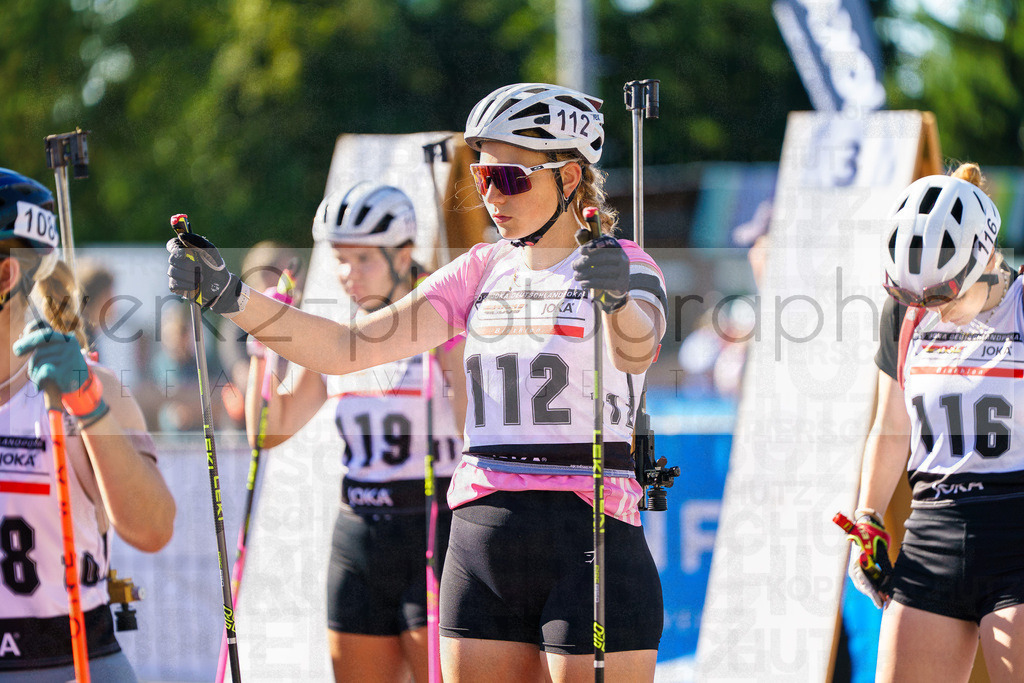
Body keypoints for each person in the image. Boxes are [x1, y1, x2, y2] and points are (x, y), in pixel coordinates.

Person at [167, 82, 668, 682]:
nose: (491, 196)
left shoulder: (628, 264)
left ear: (567, 178)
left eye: (510, 179)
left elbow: (638, 351)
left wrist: (614, 298)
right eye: (482, 177)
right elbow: (345, 347)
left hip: (588, 534)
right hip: (483, 535)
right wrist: (230, 295)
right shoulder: (481, 269)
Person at [243, 182, 466, 682]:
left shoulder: (442, 322)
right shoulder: (337, 339)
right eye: (341, 259)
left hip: (434, 527)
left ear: (404, 253)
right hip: (360, 535)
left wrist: (448, 343)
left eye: (363, 259)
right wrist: (264, 345)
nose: (347, 274)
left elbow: (471, 424)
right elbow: (270, 430)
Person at [848, 163, 1024, 682]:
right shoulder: (905, 315)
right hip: (932, 532)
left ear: (987, 261)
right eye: (914, 297)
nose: (930, 310)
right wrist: (868, 517)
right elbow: (890, 426)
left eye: (942, 296)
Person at [0, 168, 176, 681]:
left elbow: (152, 527)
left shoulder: (88, 387)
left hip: (65, 663)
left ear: (6, 275)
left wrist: (88, 406)